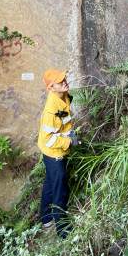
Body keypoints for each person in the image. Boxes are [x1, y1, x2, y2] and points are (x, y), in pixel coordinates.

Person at [37, 68, 77, 236]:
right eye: (60, 82)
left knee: (50, 182)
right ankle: (62, 229)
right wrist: (68, 141)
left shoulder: (64, 96)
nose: (65, 82)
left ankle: (46, 218)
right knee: (60, 188)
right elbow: (49, 139)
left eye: (64, 79)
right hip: (54, 153)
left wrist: (70, 133)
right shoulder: (50, 111)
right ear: (51, 87)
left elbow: (64, 123)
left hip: (57, 149)